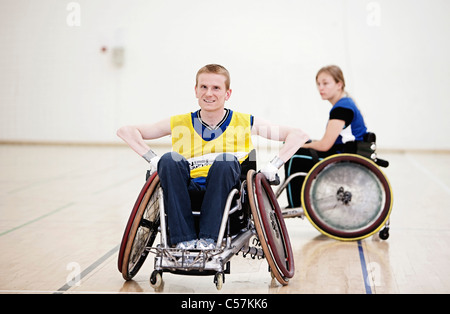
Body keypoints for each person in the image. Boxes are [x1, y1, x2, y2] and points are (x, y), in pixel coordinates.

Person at [117, 64, 309, 250]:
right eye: (204, 87)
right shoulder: (179, 122)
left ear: (227, 94)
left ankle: (209, 238)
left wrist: (274, 166)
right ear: (196, 91)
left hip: (228, 187)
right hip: (188, 185)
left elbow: (298, 135)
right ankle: (184, 240)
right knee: (168, 159)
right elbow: (126, 131)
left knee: (224, 162)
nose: (209, 93)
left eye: (216, 88)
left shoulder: (245, 122)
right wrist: (152, 159)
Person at [284, 65, 368, 208]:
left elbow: (325, 145)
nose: (320, 88)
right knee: (299, 147)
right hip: (346, 152)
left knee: (294, 155)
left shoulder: (342, 109)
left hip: (346, 158)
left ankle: (296, 204)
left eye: (325, 83)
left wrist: (302, 145)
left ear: (339, 84)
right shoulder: (345, 104)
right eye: (318, 84)